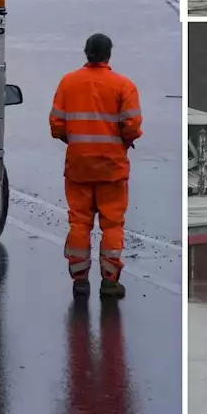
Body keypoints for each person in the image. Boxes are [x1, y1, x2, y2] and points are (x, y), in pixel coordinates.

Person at [50, 33, 143, 300]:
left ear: (86, 52)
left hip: (78, 166)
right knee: (112, 225)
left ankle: (80, 280)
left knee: (79, 223)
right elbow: (133, 127)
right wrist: (123, 141)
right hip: (112, 168)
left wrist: (73, 140)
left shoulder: (68, 83)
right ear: (109, 55)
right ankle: (110, 282)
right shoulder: (124, 86)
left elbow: (56, 125)